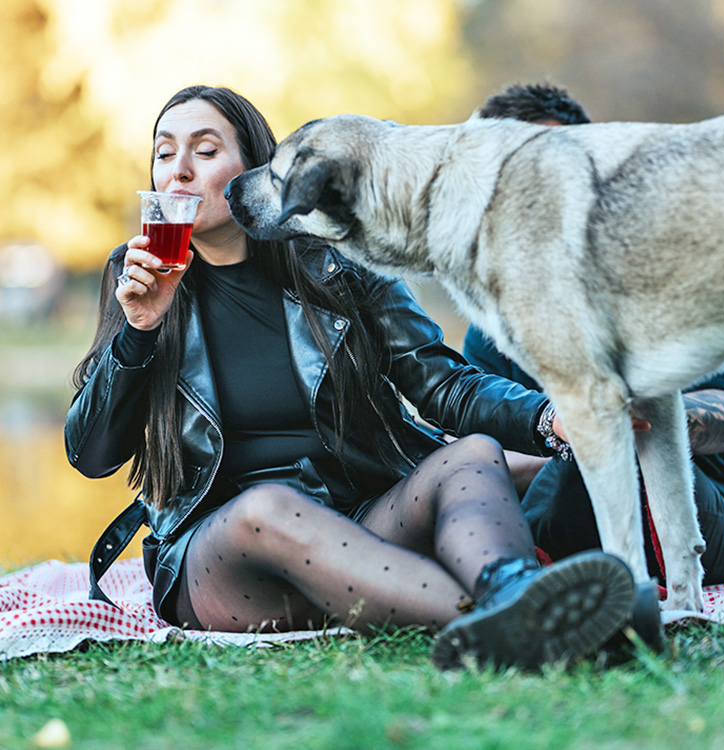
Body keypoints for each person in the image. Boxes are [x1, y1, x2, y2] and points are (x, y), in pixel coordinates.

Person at [65, 85, 636, 672]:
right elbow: (90, 454)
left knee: (472, 455)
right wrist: (139, 329)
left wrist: (551, 417)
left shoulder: (336, 261)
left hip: (356, 521)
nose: (178, 171)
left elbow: (443, 385)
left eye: (205, 152)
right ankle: (547, 618)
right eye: (164, 153)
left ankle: (514, 588)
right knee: (269, 507)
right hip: (224, 553)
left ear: (253, 169)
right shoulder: (134, 275)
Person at [463, 82, 724, 588]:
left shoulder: (673, 276)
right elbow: (483, 464)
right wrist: (568, 430)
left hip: (712, 516)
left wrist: (645, 419)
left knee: (616, 431)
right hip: (562, 514)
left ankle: (573, 580)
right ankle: (538, 583)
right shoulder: (493, 323)